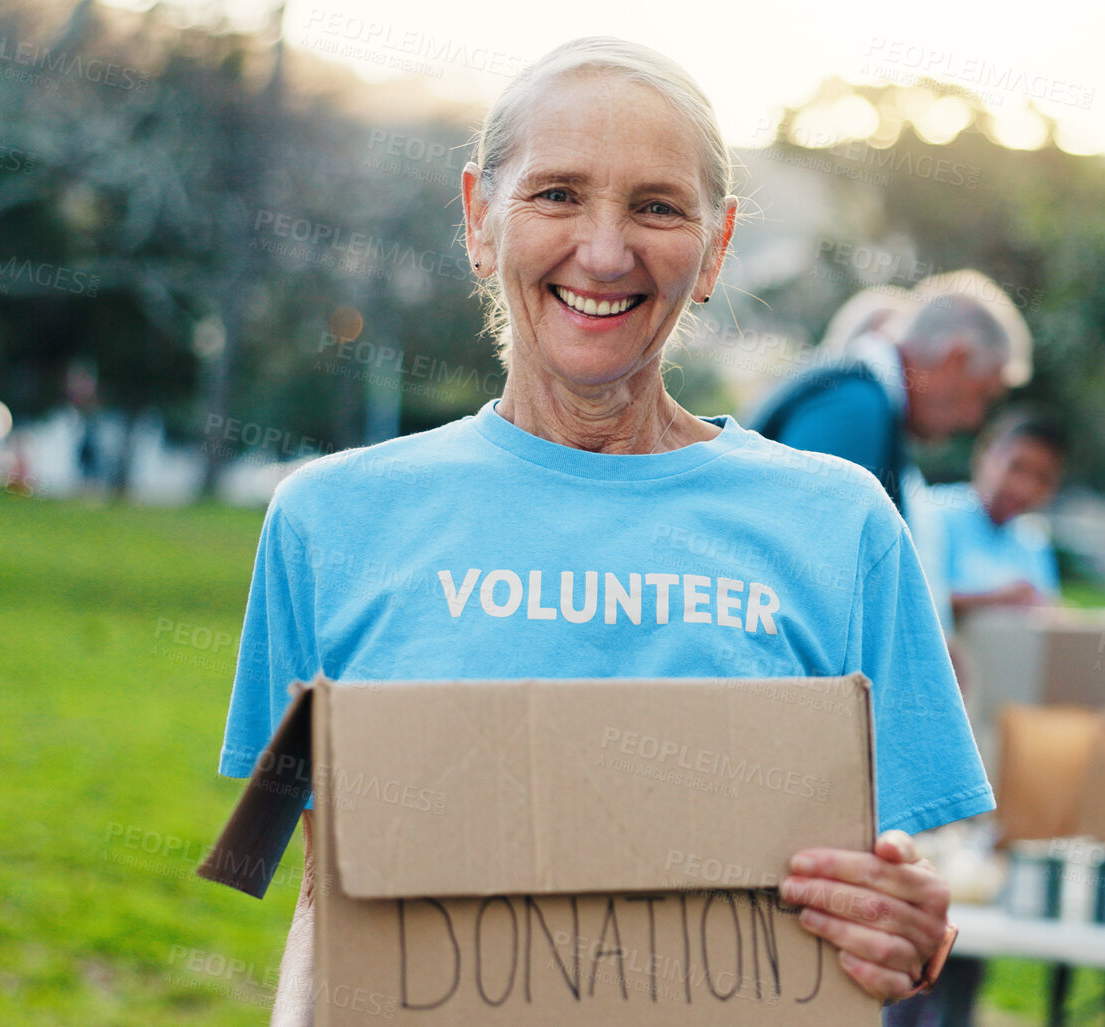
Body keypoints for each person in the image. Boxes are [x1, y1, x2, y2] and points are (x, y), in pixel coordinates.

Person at [215, 37, 991, 1026]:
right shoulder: (329, 521)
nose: (606, 250)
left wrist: (908, 929)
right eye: (556, 195)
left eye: (658, 207)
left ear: (715, 248)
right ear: (478, 219)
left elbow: (899, 878)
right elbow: (334, 904)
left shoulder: (841, 526)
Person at [747, 270, 1033, 516]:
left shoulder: (860, 396)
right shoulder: (855, 408)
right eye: (983, 395)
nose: (975, 420)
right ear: (954, 361)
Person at [915, 413, 1066, 618]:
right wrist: (994, 600)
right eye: (1016, 467)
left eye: (1042, 478)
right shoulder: (930, 513)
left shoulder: (1033, 542)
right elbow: (911, 599)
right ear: (985, 454)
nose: (1024, 487)